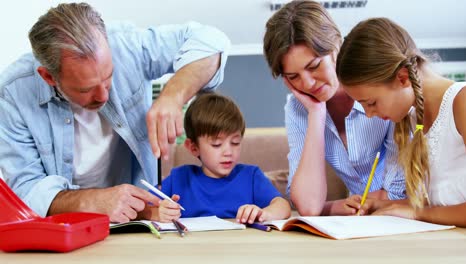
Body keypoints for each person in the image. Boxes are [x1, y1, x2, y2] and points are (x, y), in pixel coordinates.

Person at [0, 3, 230, 223]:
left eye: (109, 76)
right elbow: (26, 190)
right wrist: (94, 201)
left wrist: (173, 97)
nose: (103, 96)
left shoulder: (126, 47)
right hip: (64, 230)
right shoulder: (12, 93)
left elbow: (210, 41)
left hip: (135, 224)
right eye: (86, 89)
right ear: (48, 77)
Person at [262, 0, 406, 216]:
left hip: (403, 213)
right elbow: (309, 206)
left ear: (336, 47)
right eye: (293, 77)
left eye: (314, 66)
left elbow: (398, 192)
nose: (308, 84)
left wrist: (332, 207)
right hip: (361, 219)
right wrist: (316, 113)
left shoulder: (378, 85)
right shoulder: (298, 109)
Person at [336, 17, 466, 227]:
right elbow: (442, 202)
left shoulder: (463, 102)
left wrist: (416, 213)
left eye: (371, 103)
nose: (369, 115)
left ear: (403, 77)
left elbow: (429, 211)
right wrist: (385, 206)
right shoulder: (413, 118)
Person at [142, 92, 291, 223]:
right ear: (194, 147)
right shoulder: (179, 179)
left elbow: (283, 206)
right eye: (216, 144)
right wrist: (157, 213)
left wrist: (264, 213)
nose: (228, 152)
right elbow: (140, 209)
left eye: (235, 142)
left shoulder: (250, 176)